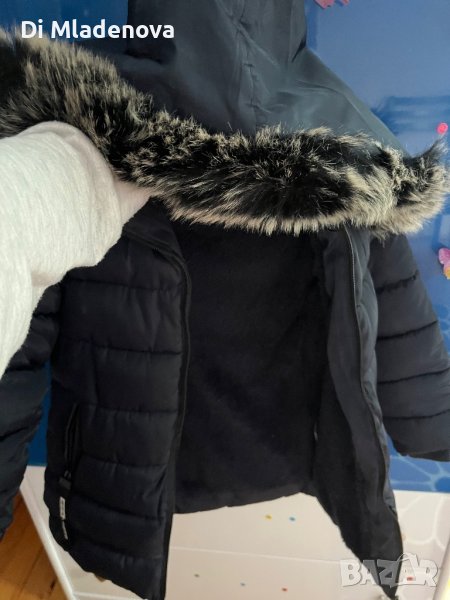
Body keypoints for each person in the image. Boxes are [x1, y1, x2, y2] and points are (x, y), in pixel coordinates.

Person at [0, 4, 449, 599]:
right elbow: (401, 322)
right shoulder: (354, 153)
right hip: (290, 450)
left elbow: (19, 335)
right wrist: (434, 424)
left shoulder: (74, 144)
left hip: (127, 471)